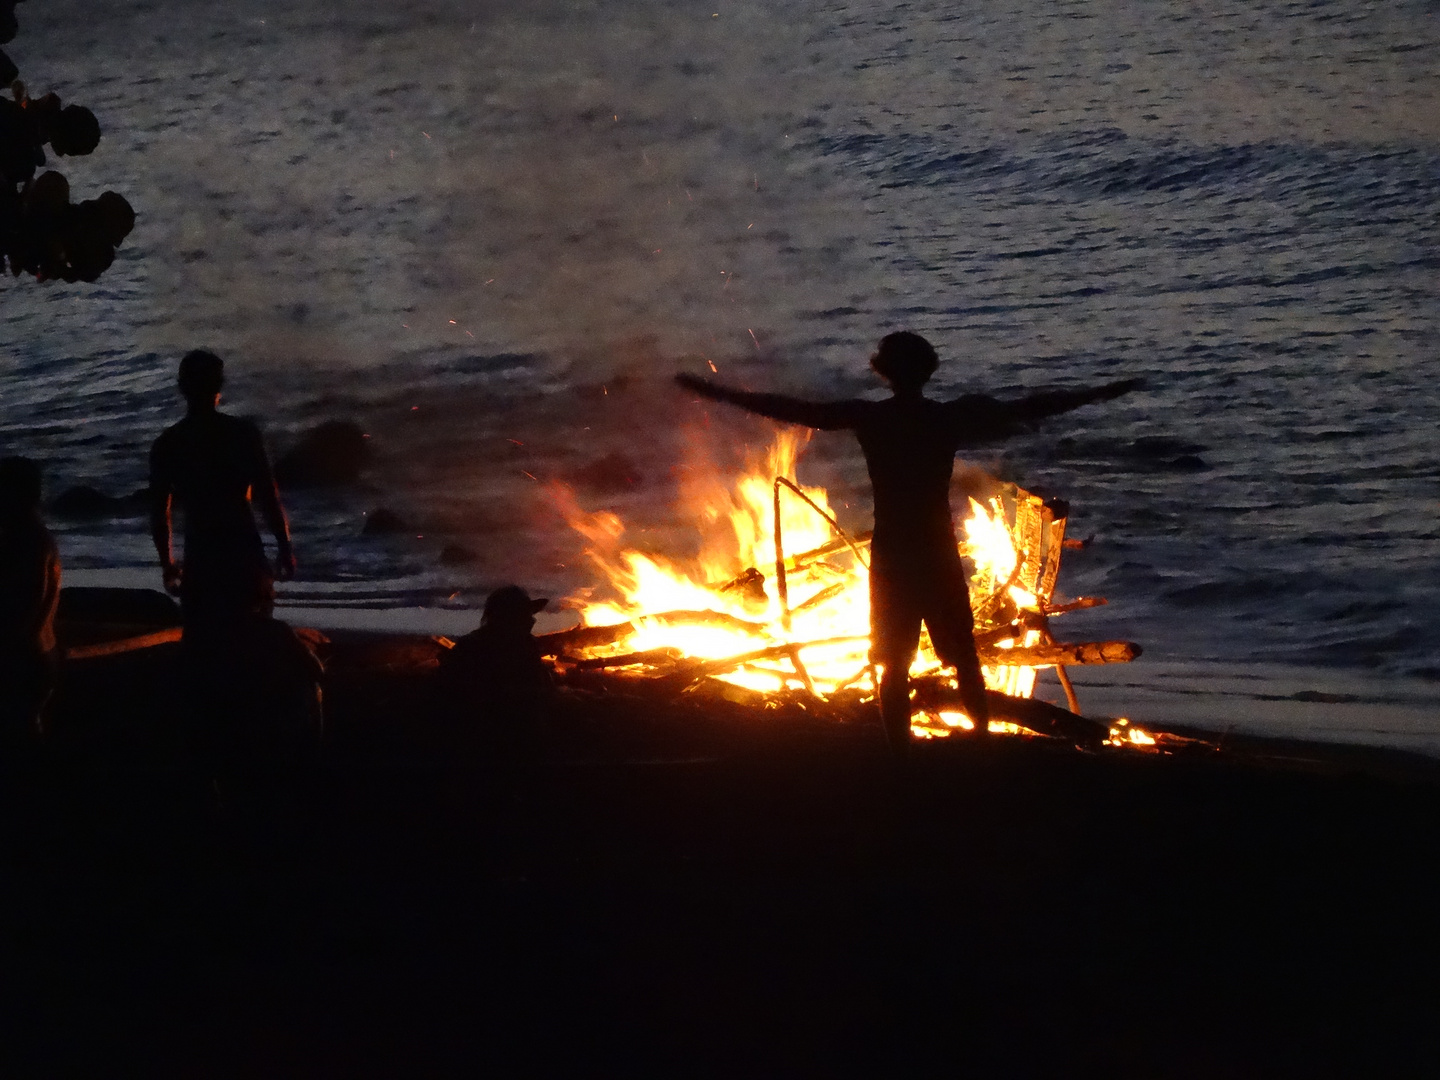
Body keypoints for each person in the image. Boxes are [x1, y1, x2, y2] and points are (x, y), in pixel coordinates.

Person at [677, 331, 1142, 756]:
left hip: (893, 554)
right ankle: (980, 744)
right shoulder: (946, 417)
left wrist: (720, 393)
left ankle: (898, 753)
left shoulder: (870, 417)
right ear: (930, 369)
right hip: (936, 552)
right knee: (961, 657)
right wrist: (1102, 391)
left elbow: (793, 409)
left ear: (882, 371)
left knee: (892, 661)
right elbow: (1032, 405)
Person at [149, 349, 295, 631]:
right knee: (252, 642)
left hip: (201, 559)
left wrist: (167, 563)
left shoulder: (168, 444)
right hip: (244, 554)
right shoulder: (242, 434)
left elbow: (159, 513)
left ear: (182, 388)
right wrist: (284, 547)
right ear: (219, 386)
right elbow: (268, 497)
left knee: (207, 649)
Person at [0, 456, 62, 751]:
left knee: (22, 730)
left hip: (27, 658)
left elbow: (28, 606)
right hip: (37, 654)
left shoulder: (27, 541)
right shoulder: (29, 537)